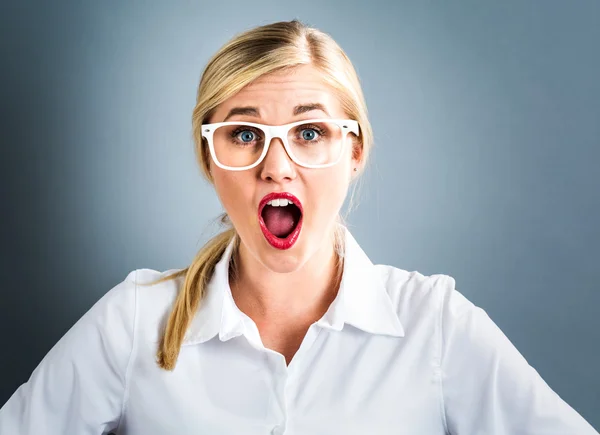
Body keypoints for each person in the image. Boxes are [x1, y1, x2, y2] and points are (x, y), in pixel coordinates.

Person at [0, 19, 597, 435]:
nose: (276, 165)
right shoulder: (135, 322)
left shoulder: (433, 324)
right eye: (244, 134)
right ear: (209, 158)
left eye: (309, 132)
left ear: (355, 150)